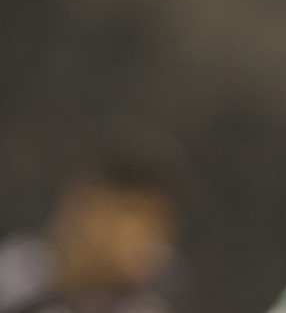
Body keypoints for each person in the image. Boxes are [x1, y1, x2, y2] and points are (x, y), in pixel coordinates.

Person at [0, 126, 186, 313]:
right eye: (129, 210)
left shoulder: (154, 301)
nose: (144, 235)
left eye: (158, 218)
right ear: (80, 202)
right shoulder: (12, 281)